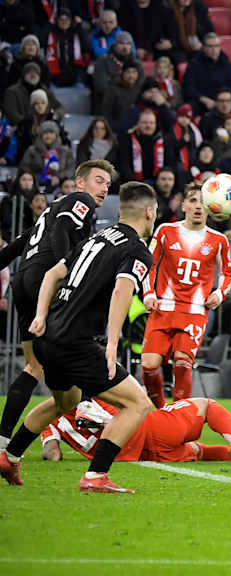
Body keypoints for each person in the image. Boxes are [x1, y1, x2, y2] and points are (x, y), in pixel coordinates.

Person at [0, 181, 157, 493]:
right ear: (149, 212)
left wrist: (41, 316)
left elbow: (52, 274)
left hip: (48, 337)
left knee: (67, 400)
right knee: (138, 404)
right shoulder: (136, 249)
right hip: (75, 343)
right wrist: (112, 344)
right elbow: (123, 290)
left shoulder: (95, 239)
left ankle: (10, 455)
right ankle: (96, 475)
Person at [0, 160, 115, 452]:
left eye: (107, 184)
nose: (104, 189)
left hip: (22, 282)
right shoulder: (80, 201)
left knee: (33, 365)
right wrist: (72, 272)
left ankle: (2, 439)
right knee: (79, 328)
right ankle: (88, 403)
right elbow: (62, 231)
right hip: (44, 280)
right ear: (80, 183)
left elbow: (17, 245)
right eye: (99, 181)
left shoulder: (49, 212)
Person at [140, 184, 231, 407]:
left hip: (194, 311)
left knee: (182, 363)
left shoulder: (218, 240)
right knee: (149, 366)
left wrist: (219, 294)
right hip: (162, 308)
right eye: (192, 201)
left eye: (202, 202)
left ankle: (179, 415)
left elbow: (228, 274)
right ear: (183, 205)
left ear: (211, 207)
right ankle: (162, 411)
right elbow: (147, 264)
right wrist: (148, 293)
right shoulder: (165, 231)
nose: (197, 206)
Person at [40, 398, 231, 464]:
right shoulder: (86, 389)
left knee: (198, 452)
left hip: (135, 454)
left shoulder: (48, 418)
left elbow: (53, 454)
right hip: (147, 427)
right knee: (207, 405)